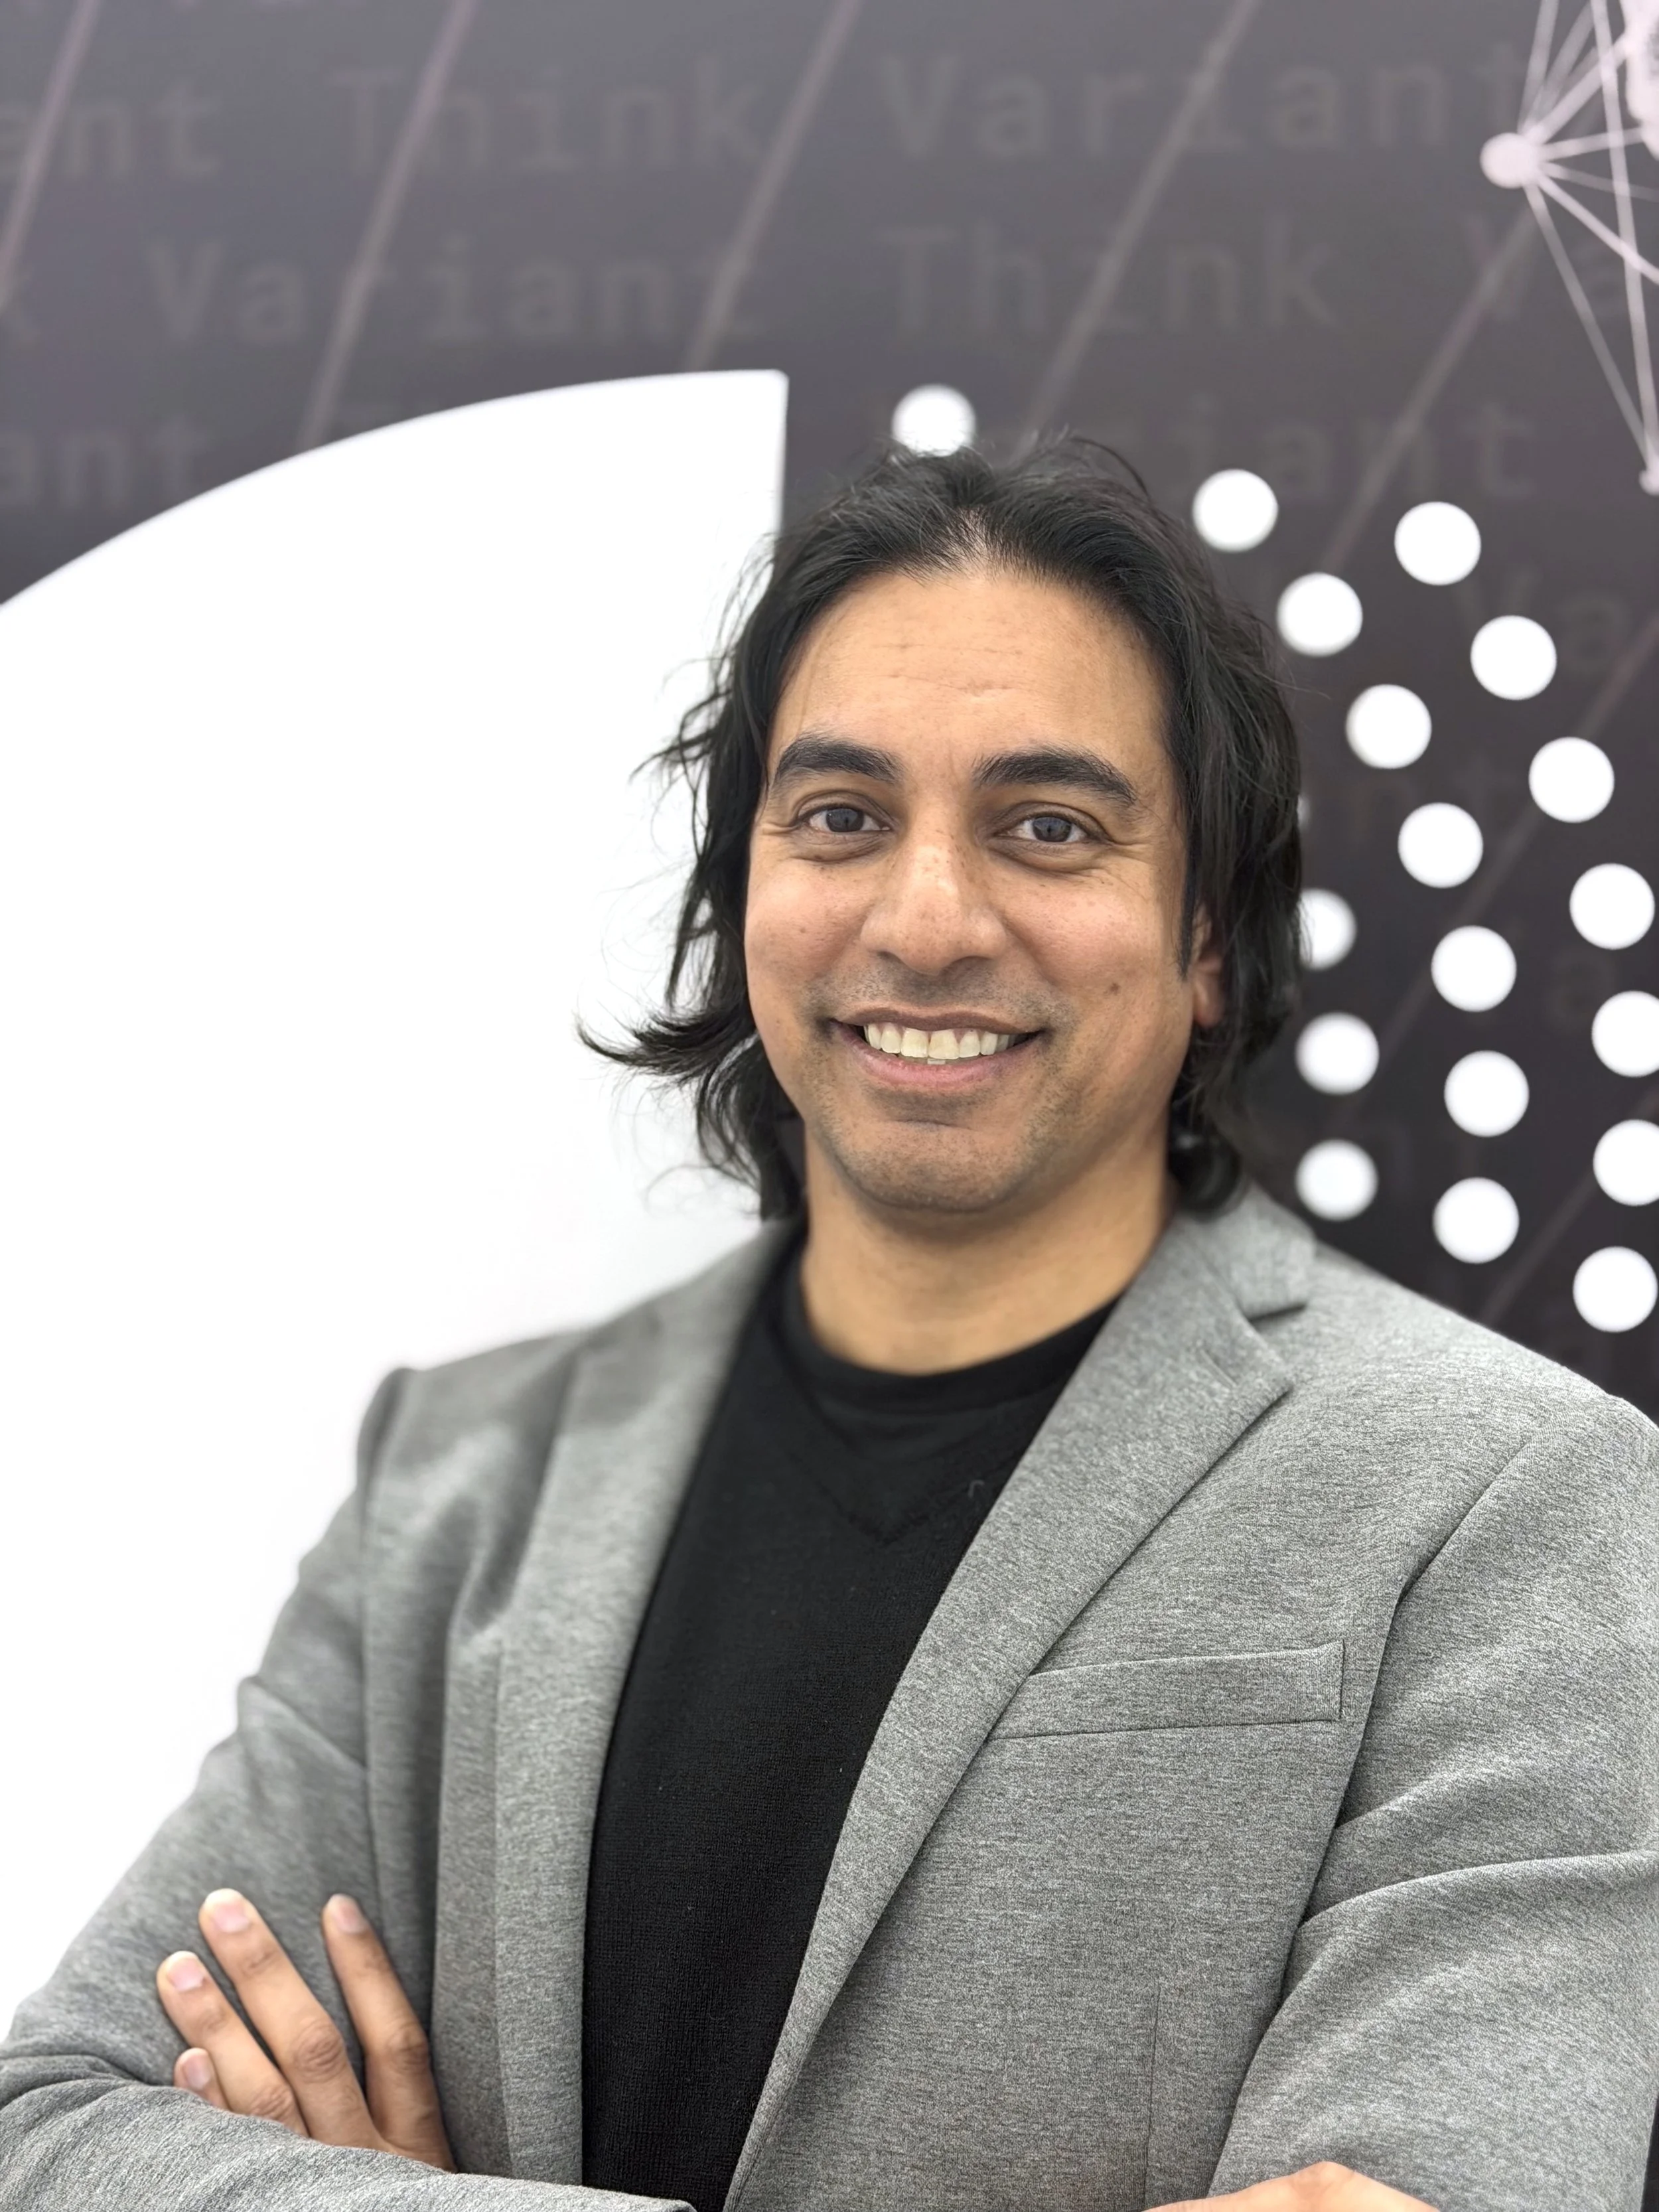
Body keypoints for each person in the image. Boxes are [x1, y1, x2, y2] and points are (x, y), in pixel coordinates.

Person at [1, 443, 1656, 2212]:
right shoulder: (460, 1480)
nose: (925, 917)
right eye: (841, 817)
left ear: (1207, 947)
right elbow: (62, 2126)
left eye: (1048, 825)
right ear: (745, 900)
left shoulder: (1515, 1501)